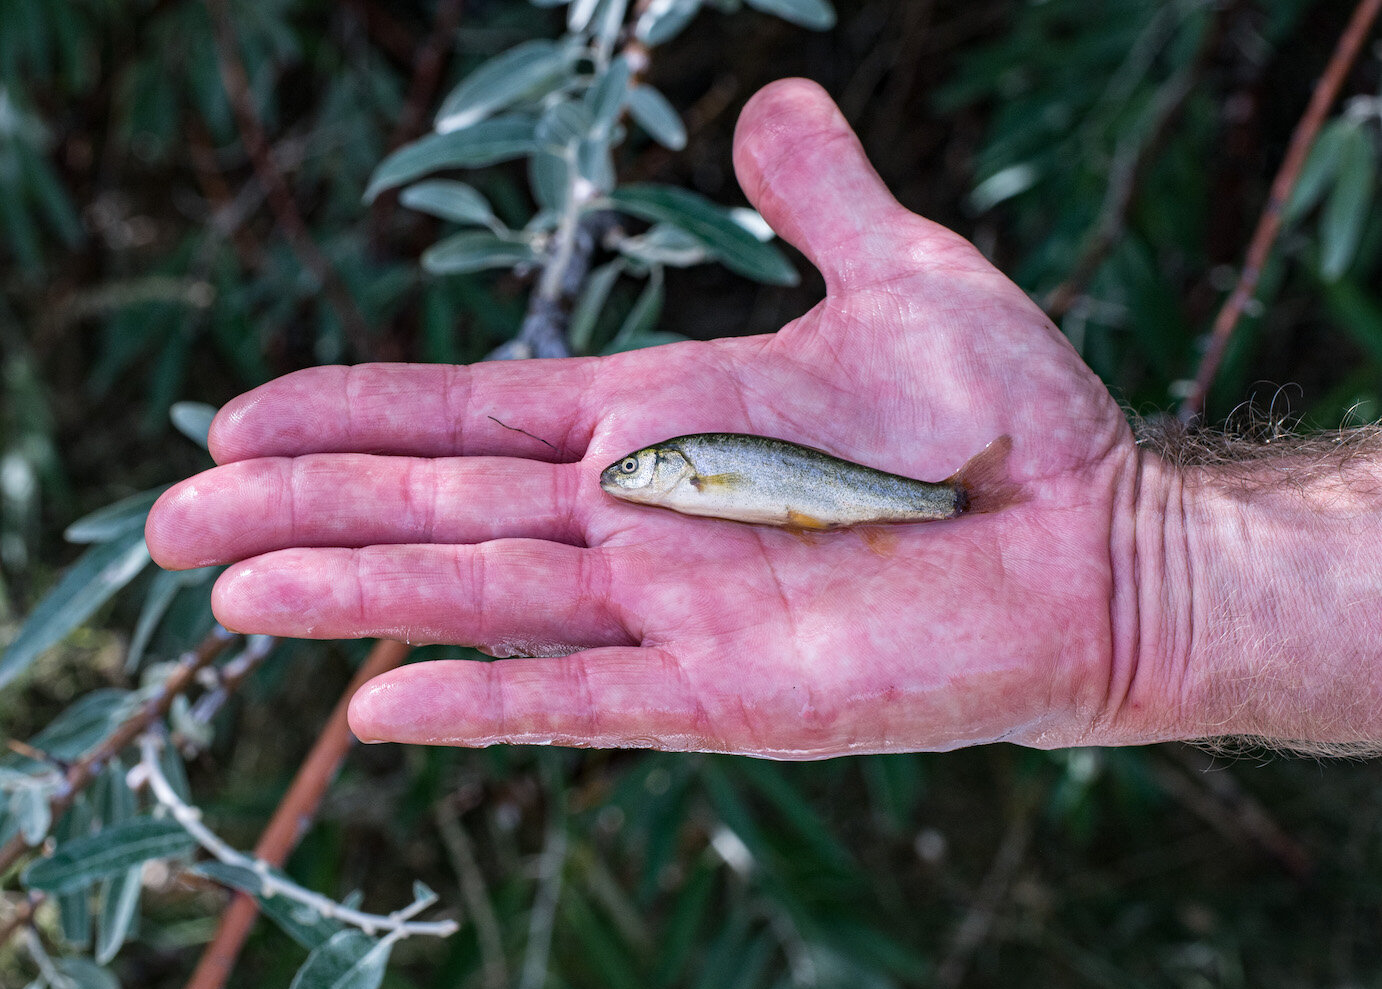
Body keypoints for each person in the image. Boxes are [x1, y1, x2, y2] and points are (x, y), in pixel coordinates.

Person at [144, 79, 1382, 759]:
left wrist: (1143, 569)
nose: (641, 477)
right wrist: (1156, 574)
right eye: (651, 475)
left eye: (647, 470)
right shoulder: (674, 471)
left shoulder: (694, 468)